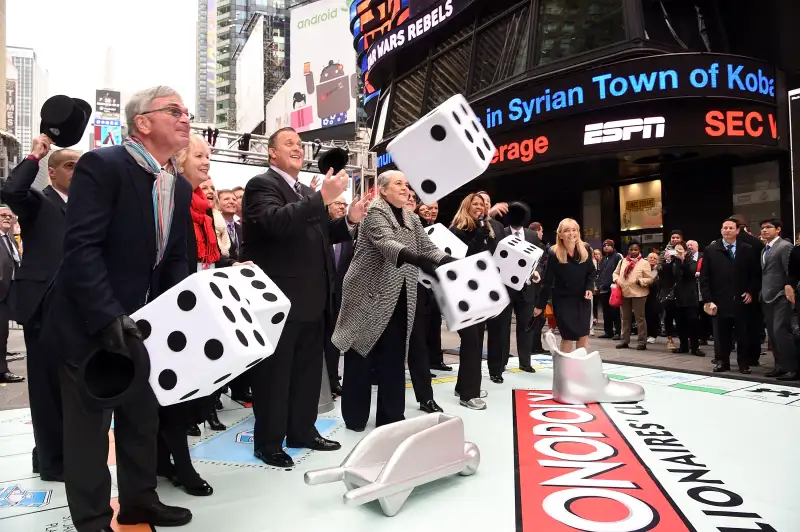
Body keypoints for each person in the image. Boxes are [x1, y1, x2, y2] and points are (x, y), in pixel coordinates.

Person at [38, 86, 193, 531]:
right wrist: (107, 316)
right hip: (90, 324)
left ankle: (140, 501)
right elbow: (81, 248)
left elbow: (175, 256)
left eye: (187, 112)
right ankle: (91, 519)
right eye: (174, 111)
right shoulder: (102, 166)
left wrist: (172, 313)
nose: (186, 118)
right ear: (142, 122)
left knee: (142, 419)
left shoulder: (176, 185)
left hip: (143, 326)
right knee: (88, 432)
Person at [241, 127, 366, 468]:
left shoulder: (302, 191)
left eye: (300, 143)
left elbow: (319, 235)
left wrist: (350, 220)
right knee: (274, 378)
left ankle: (302, 430)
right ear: (271, 153)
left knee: (309, 375)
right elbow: (275, 224)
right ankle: (268, 443)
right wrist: (320, 199)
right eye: (289, 143)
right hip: (279, 302)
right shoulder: (262, 185)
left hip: (313, 299)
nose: (298, 147)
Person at [334, 173, 448, 429]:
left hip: (399, 296)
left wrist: (448, 262)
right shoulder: (375, 212)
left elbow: (428, 247)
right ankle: (355, 419)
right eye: (399, 184)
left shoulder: (411, 217)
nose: (406, 188)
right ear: (383, 191)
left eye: (407, 184)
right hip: (367, 297)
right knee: (361, 355)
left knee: (394, 359)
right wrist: (419, 260)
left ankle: (391, 417)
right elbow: (387, 244)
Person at [1, 135, 79, 480]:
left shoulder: (86, 210)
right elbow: (12, 192)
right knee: (46, 388)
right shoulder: (39, 202)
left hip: (77, 310)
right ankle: (51, 461)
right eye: (69, 165)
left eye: (82, 166)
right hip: (42, 307)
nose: (77, 172)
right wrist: (35, 154)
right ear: (52, 172)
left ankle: (51, 453)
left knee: (69, 388)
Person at [450, 193, 495, 410]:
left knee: (476, 339)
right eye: (475, 204)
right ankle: (469, 394)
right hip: (461, 293)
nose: (480, 207)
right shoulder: (457, 231)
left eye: (483, 204)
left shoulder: (485, 229)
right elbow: (464, 258)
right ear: (466, 206)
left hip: (479, 292)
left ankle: (464, 385)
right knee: (471, 342)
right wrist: (479, 233)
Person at [699, 218, 761, 374]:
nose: (727, 230)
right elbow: (704, 278)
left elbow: (755, 274)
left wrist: (750, 291)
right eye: (724, 228)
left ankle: (743, 363)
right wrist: (708, 300)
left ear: (737, 230)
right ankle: (722, 362)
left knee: (743, 334)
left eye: (731, 228)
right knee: (721, 335)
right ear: (721, 231)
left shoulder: (747, 249)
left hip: (741, 299)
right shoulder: (711, 250)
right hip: (719, 301)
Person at [534, 218, 596, 353]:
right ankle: (566, 368)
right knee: (567, 336)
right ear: (560, 234)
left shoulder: (585, 249)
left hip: (582, 299)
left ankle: (581, 367)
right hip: (563, 300)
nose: (571, 233)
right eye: (567, 230)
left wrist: (589, 288)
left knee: (583, 335)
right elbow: (547, 281)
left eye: (574, 230)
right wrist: (540, 305)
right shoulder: (553, 253)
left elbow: (591, 272)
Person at [496, 202, 542, 376]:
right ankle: (501, 363)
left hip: (527, 288)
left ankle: (525, 362)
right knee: (503, 327)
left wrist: (537, 272)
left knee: (526, 326)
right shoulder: (502, 232)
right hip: (505, 288)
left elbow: (539, 259)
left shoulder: (532, 235)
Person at [758, 218, 797, 380]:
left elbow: (791, 270)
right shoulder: (764, 249)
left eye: (768, 227)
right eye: (762, 228)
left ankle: (792, 368)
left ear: (778, 229)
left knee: (781, 332)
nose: (765, 230)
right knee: (773, 335)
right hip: (767, 296)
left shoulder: (785, 246)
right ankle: (780, 366)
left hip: (781, 294)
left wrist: (789, 288)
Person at [612, 240, 652, 350]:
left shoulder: (644, 262)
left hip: (639, 293)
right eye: (631, 249)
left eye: (636, 249)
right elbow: (615, 273)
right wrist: (617, 280)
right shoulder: (622, 261)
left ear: (639, 250)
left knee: (640, 318)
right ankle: (624, 340)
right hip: (624, 292)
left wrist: (641, 281)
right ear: (628, 250)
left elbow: (650, 278)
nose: (633, 251)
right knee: (625, 318)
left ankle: (642, 342)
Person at [667, 242, 703, 356]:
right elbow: (672, 275)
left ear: (686, 251)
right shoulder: (674, 262)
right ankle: (683, 346)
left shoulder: (691, 261)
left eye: (680, 249)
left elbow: (690, 273)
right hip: (678, 297)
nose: (678, 252)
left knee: (693, 323)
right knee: (680, 323)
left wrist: (683, 259)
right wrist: (668, 260)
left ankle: (695, 347)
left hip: (690, 297)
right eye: (676, 249)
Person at [596, 240, 622, 340]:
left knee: (614, 311)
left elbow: (619, 271)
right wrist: (598, 285)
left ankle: (618, 332)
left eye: (609, 245)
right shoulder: (603, 259)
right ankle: (608, 331)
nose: (606, 247)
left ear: (613, 246)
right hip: (603, 288)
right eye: (605, 245)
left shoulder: (617, 257)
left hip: (613, 287)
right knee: (606, 311)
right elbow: (600, 273)